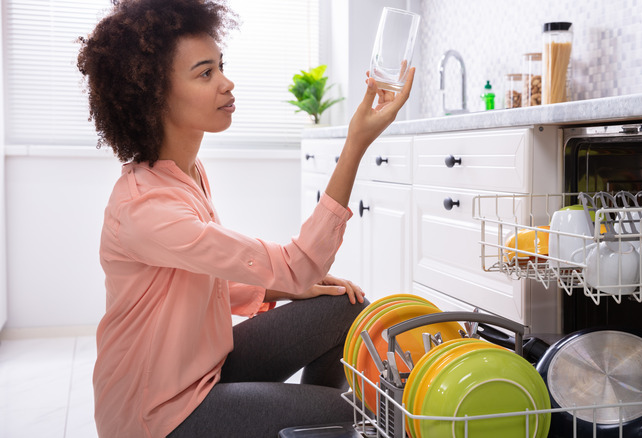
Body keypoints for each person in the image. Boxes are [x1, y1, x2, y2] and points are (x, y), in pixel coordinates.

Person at [77, 0, 415, 436]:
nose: (226, 83)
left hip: (202, 369)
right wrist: (356, 142)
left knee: (344, 308)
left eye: (221, 67)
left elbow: (201, 278)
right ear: (155, 95)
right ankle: (324, 423)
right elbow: (298, 262)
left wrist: (293, 287)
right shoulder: (145, 209)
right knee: (353, 413)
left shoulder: (187, 174)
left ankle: (312, 425)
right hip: (158, 414)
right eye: (205, 73)